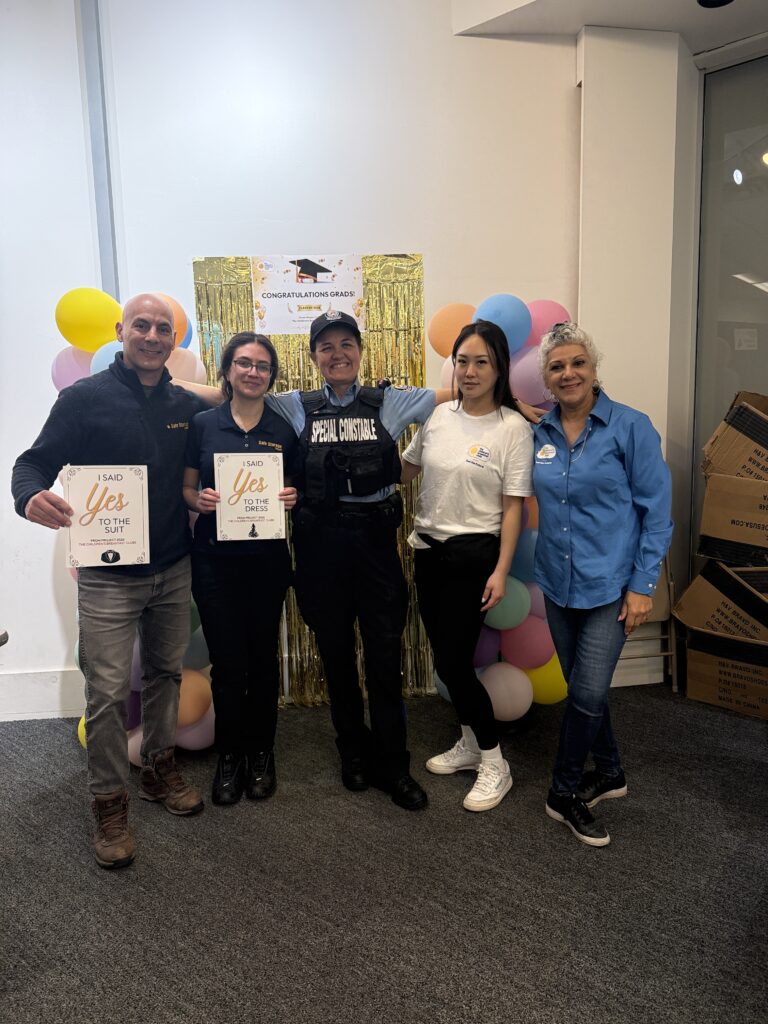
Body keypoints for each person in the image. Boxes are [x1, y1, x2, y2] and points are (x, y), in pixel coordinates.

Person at [12, 294, 206, 869]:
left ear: (173, 339)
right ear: (121, 331)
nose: (152, 336)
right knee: (107, 691)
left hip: (172, 566)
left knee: (166, 674)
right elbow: (31, 464)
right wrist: (29, 496)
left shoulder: (183, 404)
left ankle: (158, 770)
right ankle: (107, 802)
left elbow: (228, 414)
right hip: (107, 577)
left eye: (163, 328)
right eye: (141, 325)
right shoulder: (82, 399)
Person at [264, 310, 452, 811]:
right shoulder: (294, 406)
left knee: (385, 657)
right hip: (320, 548)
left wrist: (515, 399)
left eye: (346, 343)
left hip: (374, 548)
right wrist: (166, 381)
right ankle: (352, 751)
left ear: (360, 351)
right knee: (337, 657)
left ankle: (395, 764)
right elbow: (231, 393)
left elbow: (457, 393)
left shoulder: (391, 401)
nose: (337, 354)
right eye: (326, 347)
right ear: (314, 357)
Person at [532, 322, 673, 847]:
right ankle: (610, 771)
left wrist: (642, 586)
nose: (568, 373)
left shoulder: (631, 428)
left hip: (611, 587)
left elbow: (657, 515)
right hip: (556, 582)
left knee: (588, 693)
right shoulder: (540, 433)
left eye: (577, 363)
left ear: (594, 369)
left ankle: (563, 791)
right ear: (546, 378)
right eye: (556, 367)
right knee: (582, 691)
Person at [401, 321, 533, 812]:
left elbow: (514, 507)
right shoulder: (439, 416)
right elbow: (406, 470)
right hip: (428, 550)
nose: (470, 371)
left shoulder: (512, 428)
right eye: (462, 361)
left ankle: (495, 762)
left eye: (482, 362)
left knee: (455, 663)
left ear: (499, 369)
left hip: (473, 556)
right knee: (445, 658)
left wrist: (500, 570)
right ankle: (471, 743)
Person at [183, 333, 299, 806]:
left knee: (263, 660)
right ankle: (230, 756)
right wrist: (200, 500)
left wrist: (292, 496)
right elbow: (187, 488)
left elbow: (296, 488)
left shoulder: (284, 428)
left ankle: (262, 753)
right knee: (228, 664)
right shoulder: (202, 425)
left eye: (263, 366)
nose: (253, 372)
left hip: (267, 563)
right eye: (244, 363)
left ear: (271, 375)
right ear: (228, 369)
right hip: (214, 563)